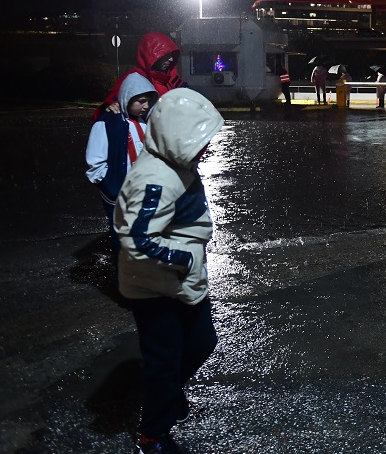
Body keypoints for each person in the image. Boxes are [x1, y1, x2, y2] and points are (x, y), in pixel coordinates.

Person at [115, 88, 225, 454]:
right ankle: (153, 433)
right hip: (156, 288)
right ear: (178, 136)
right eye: (200, 139)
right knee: (164, 361)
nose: (206, 147)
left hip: (176, 282)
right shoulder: (155, 179)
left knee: (200, 342)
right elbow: (137, 239)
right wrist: (187, 259)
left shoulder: (175, 166)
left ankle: (166, 397)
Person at [85, 72, 158, 267]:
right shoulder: (107, 124)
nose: (146, 106)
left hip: (145, 191)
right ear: (127, 97)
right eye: (141, 101)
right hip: (120, 195)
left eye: (149, 101)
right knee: (124, 241)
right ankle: (127, 287)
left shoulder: (146, 122)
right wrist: (110, 187)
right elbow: (96, 163)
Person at [95, 32, 185, 121]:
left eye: (171, 55)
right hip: (144, 132)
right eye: (165, 55)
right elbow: (108, 109)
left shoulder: (170, 78)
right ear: (152, 55)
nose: (171, 59)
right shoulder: (133, 79)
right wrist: (109, 108)